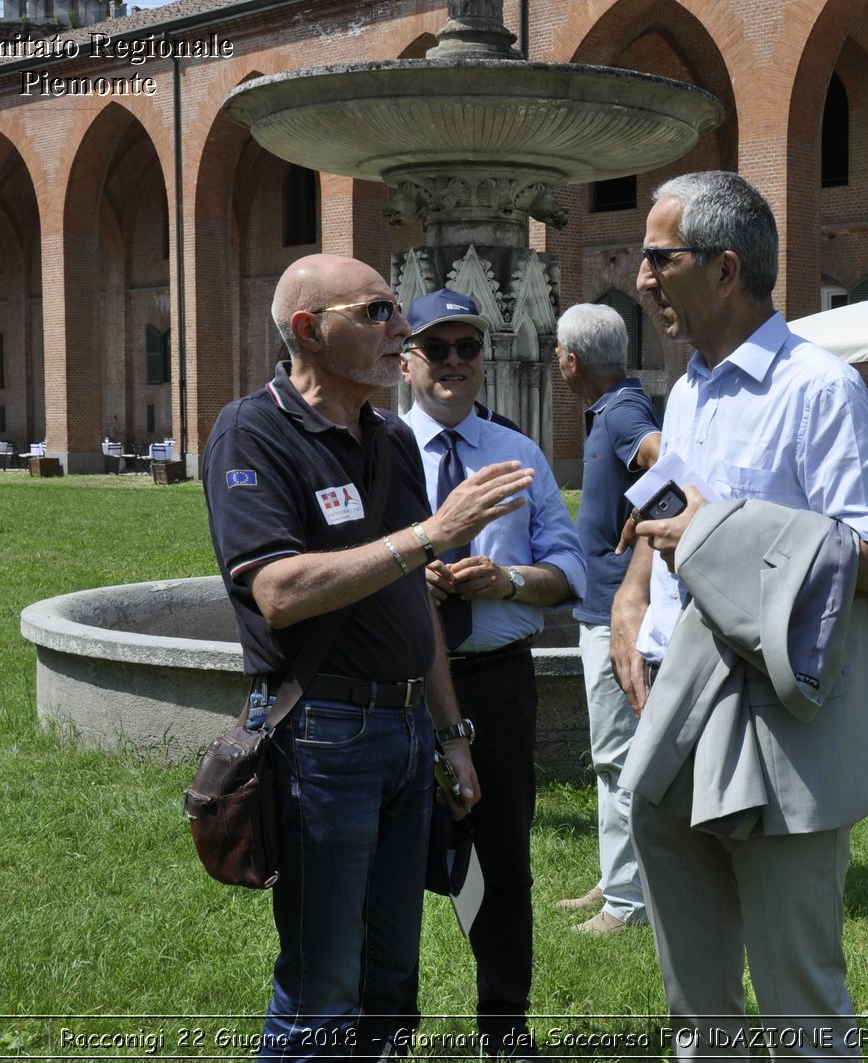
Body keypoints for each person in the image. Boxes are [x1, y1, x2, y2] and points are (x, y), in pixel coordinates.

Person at [609, 170, 868, 1057]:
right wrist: (634, 594)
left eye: (657, 258)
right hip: (674, 705)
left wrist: (736, 536)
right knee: (697, 999)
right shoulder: (687, 389)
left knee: (798, 998)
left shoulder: (818, 389)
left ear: (725, 268)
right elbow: (675, 514)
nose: (641, 278)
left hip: (775, 719)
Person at [202, 254, 532, 1061]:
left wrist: (451, 731)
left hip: (406, 733)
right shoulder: (251, 430)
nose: (404, 329)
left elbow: (415, 594)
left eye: (397, 311)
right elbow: (275, 589)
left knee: (393, 977)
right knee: (323, 984)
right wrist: (428, 535)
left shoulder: (390, 437)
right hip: (321, 733)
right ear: (310, 332)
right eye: (380, 311)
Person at [401, 287, 585, 1058]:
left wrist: (507, 581)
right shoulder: (378, 452)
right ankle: (389, 1027)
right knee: (393, 865)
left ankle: (506, 1028)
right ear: (405, 360)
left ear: (484, 358)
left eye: (466, 348)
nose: (452, 363)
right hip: (405, 690)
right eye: (435, 348)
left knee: (505, 858)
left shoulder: (521, 455)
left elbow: (572, 570)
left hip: (498, 681)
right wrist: (419, 566)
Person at [552, 302, 660, 936]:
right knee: (613, 754)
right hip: (604, 609)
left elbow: (670, 463)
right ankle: (615, 873)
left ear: (571, 361)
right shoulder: (615, 409)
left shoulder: (621, 414)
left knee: (619, 755)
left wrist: (646, 512)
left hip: (619, 616)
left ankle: (629, 902)